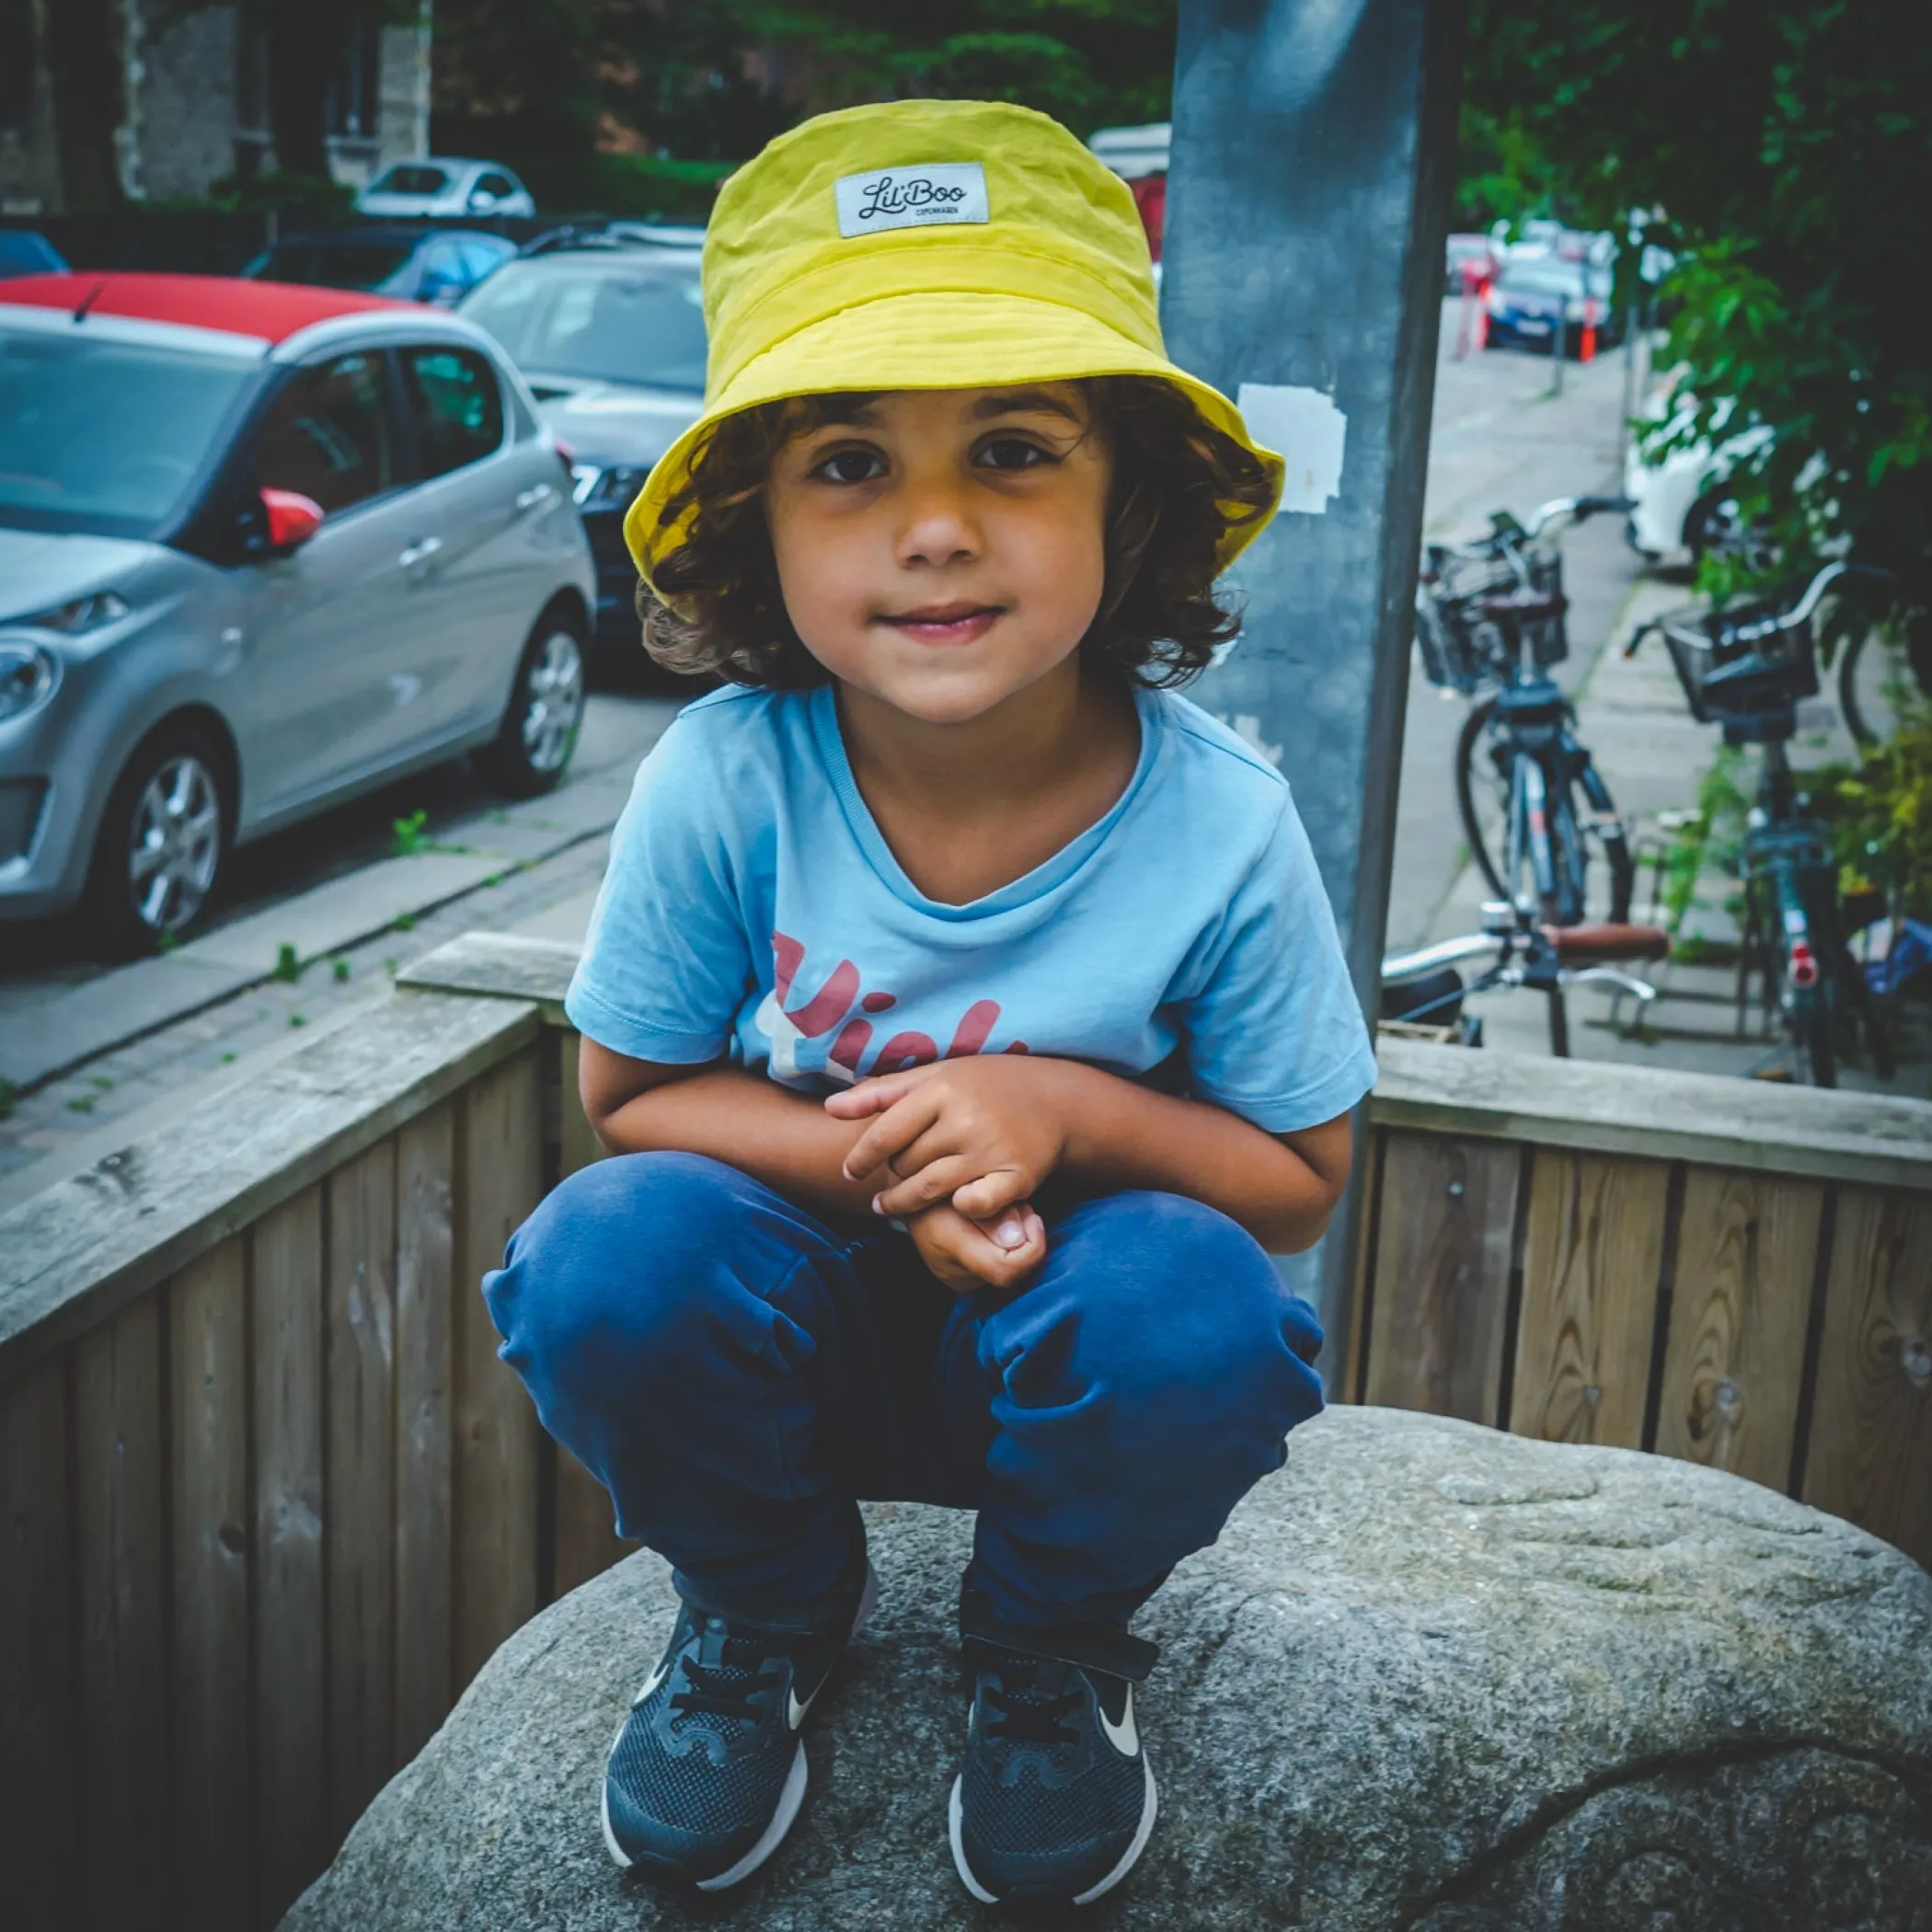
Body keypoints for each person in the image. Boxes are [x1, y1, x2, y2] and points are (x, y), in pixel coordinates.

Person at [482, 97, 1377, 1909]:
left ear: (1129, 498)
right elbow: (634, 1090)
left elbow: (1299, 1173)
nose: (940, 529)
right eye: (849, 465)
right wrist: (899, 1167)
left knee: (1201, 1298)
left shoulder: (1221, 822)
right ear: (755, 526)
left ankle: (1051, 1654)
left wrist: (1065, 1116)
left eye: (1018, 450)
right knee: (605, 1252)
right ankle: (770, 1617)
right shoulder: (729, 781)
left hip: (1073, 1368)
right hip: (783, 1360)